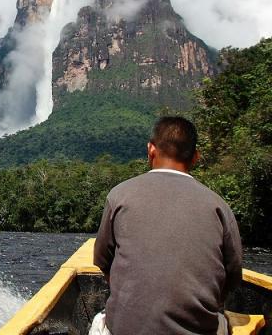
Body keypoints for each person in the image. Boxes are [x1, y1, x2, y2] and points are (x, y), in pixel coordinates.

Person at [91, 116, 242, 335]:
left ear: (151, 150)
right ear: (196, 157)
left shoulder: (119, 195)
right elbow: (233, 274)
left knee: (99, 322)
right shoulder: (218, 206)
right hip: (199, 329)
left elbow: (104, 261)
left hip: (125, 329)